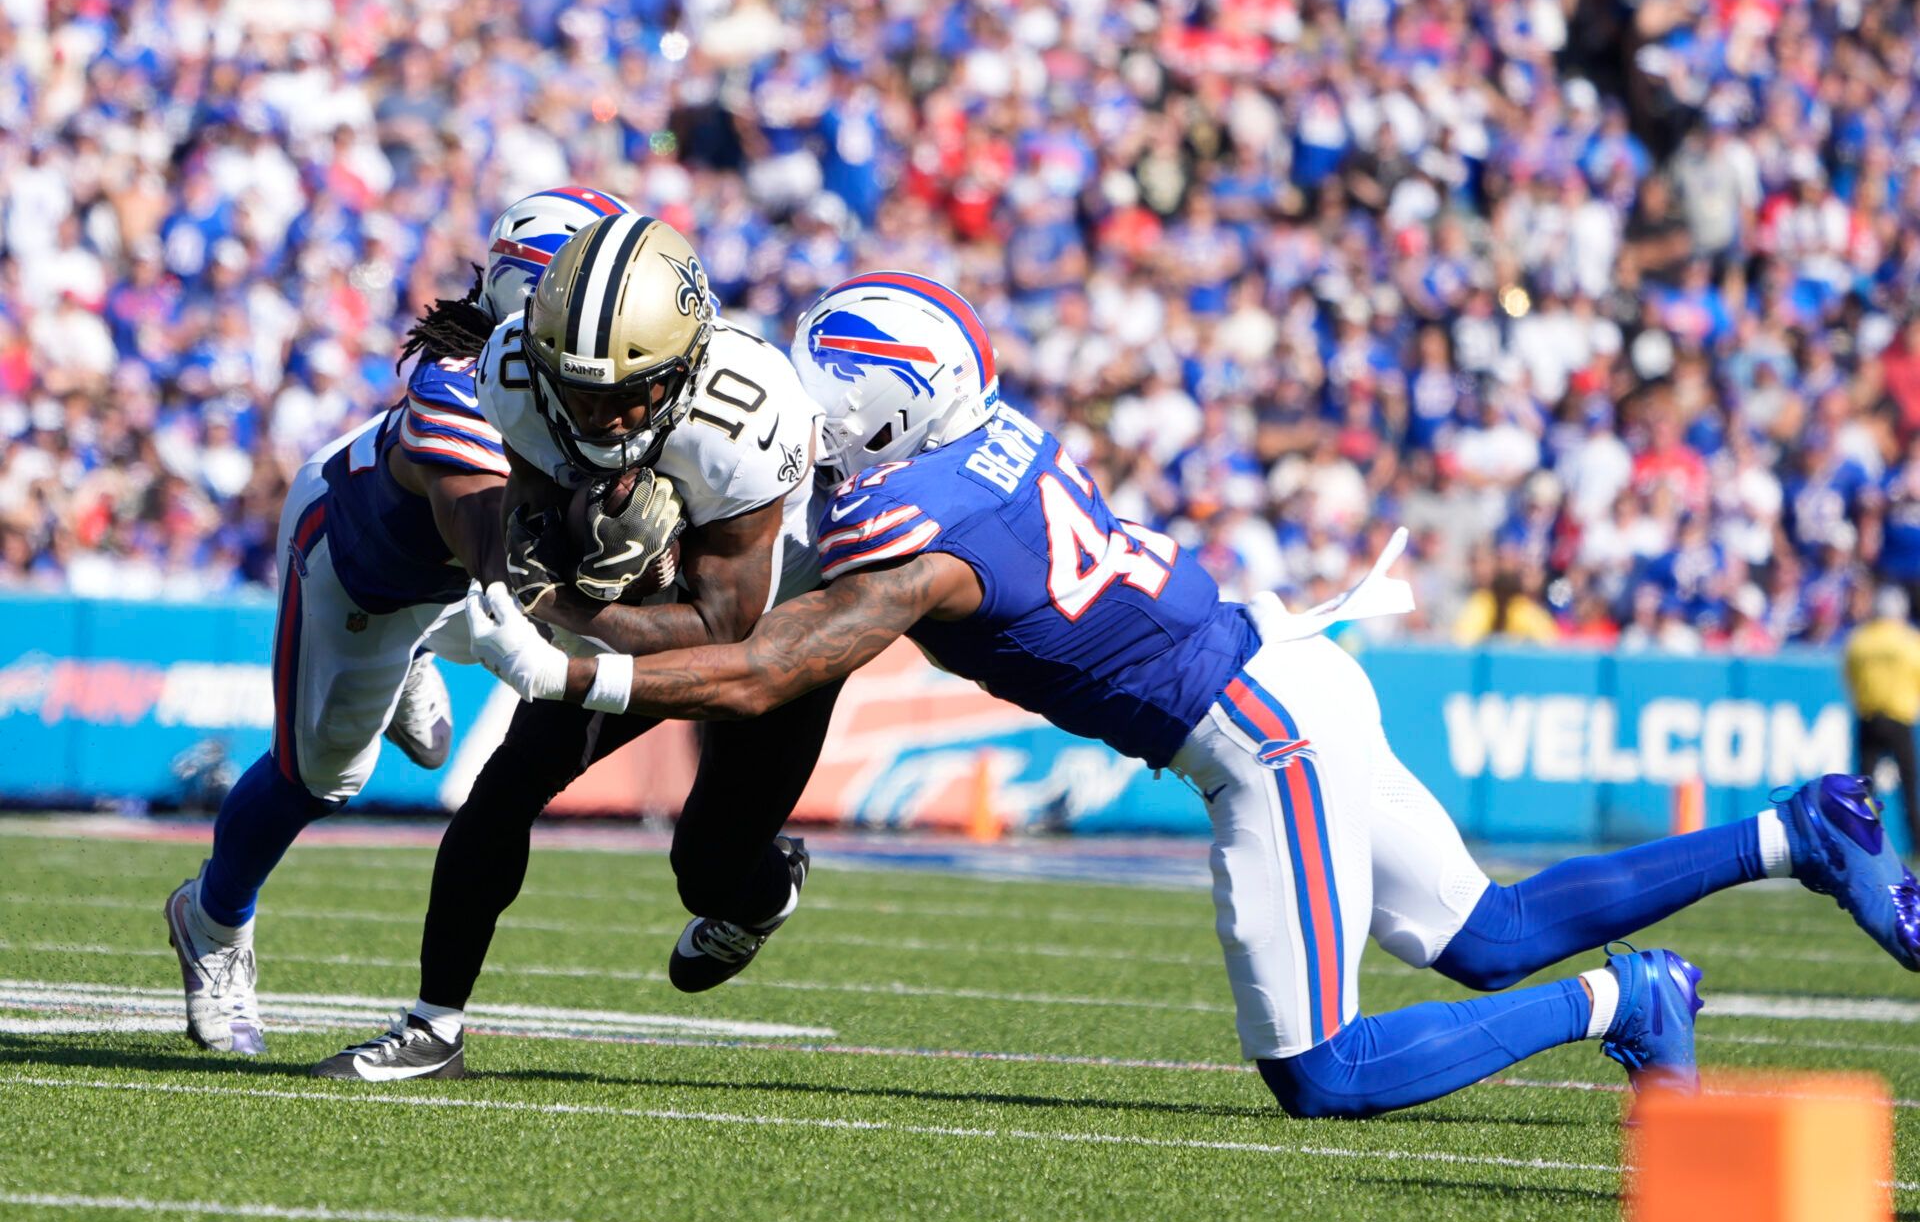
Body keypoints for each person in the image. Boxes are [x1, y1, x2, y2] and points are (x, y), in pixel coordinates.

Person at [466, 272, 1920, 1117]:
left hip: (1259, 733)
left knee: (1322, 1074)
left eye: (827, 383)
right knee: (1485, 935)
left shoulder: (913, 540)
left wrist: (574, 666)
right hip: (1288, 664)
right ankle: (1803, 831)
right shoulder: (971, 451)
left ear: (887, 408)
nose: (802, 398)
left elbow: (782, 660)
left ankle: (1624, 1000)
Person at [314, 216, 842, 1082]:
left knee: (708, 874)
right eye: (582, 392)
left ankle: (764, 888)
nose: (604, 414)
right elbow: (530, 496)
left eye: (631, 393)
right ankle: (432, 1025)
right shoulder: (516, 369)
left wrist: (564, 602)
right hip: (642, 599)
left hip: (781, 623)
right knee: (505, 786)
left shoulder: (745, 416)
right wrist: (547, 546)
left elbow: (724, 630)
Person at [162, 187, 633, 1056]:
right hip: (365, 568)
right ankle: (213, 918)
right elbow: (494, 550)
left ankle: (417, 650)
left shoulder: (597, 375)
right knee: (324, 778)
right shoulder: (459, 383)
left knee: (481, 664)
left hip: (454, 579)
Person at [1844, 585, 1920, 855]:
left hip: (1869, 717)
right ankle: (1916, 842)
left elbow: (1850, 675)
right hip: (1899, 717)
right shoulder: (1910, 640)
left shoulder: (1860, 639)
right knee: (1909, 786)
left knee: (1864, 787)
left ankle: (1863, 839)